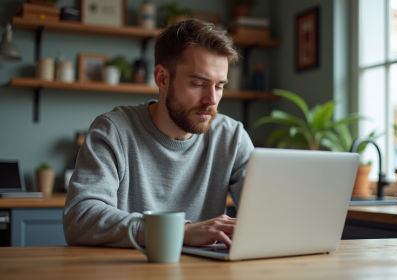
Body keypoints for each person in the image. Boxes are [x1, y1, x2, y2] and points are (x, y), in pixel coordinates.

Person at [63, 19, 254, 248]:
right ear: (162, 78)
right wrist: (178, 232)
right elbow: (80, 218)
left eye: (220, 86)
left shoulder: (231, 136)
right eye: (197, 84)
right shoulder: (113, 131)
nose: (212, 100)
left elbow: (269, 213)